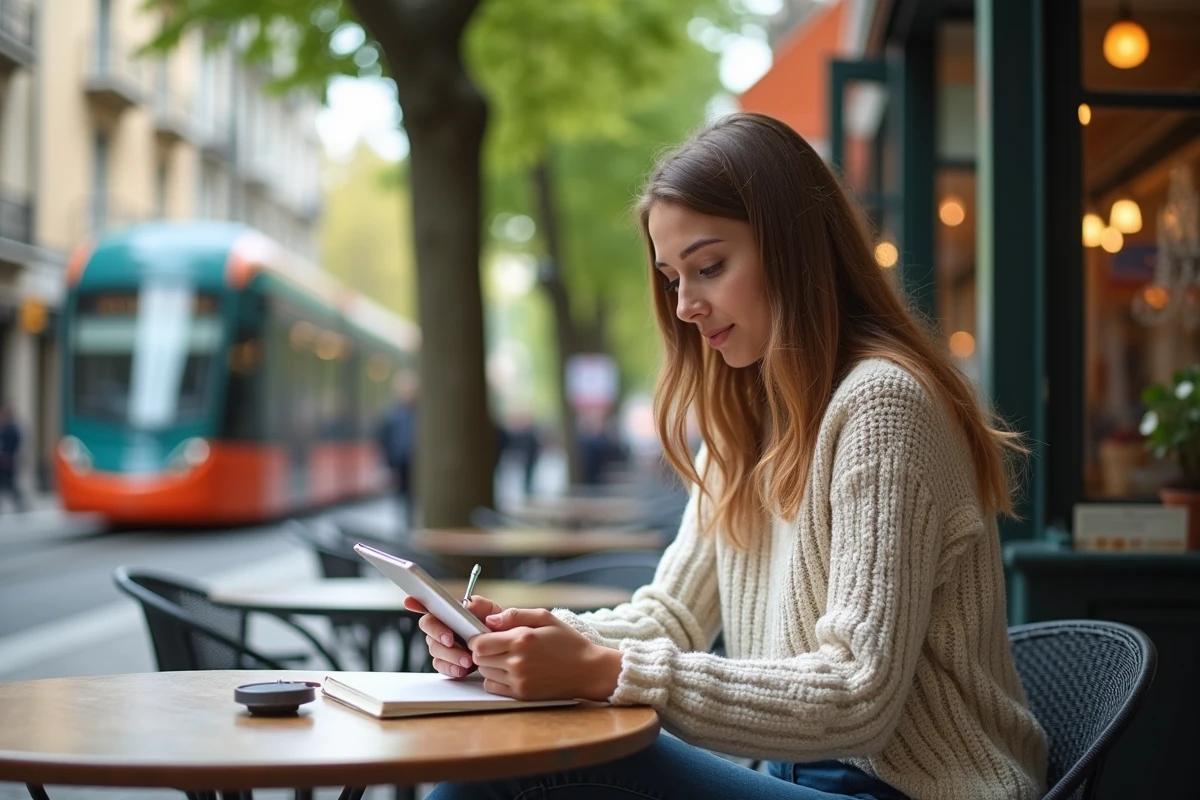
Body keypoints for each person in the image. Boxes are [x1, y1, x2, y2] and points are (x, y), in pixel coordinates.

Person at [405, 113, 1049, 800]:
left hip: (914, 792)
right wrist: (524, 638)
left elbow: (858, 693)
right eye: (672, 279)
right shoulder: (743, 422)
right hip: (792, 779)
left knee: (528, 764)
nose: (685, 305)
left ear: (795, 249)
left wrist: (600, 670)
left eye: (709, 267)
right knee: (508, 751)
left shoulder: (883, 405)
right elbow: (671, 618)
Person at [377, 372, 418, 529]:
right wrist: (389, 462)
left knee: (413, 498)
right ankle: (404, 527)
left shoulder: (420, 412)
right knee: (401, 498)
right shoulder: (392, 413)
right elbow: (383, 437)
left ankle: (411, 526)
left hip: (416, 463)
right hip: (399, 463)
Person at [0, 404, 23, 513]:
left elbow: (14, 445)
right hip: (4, 460)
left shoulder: (12, 429)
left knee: (10, 485)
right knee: (6, 485)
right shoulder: (5, 428)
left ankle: (21, 503)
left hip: (8, 460)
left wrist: (9, 456)